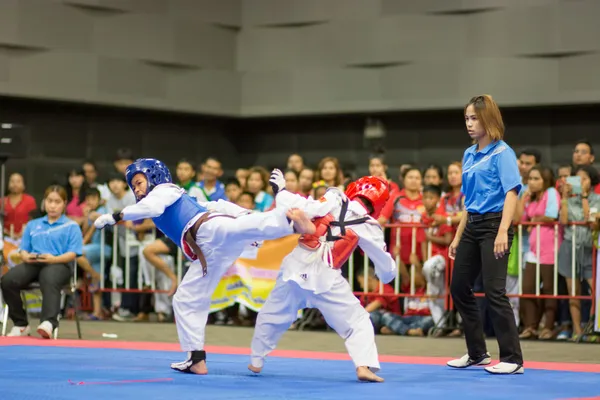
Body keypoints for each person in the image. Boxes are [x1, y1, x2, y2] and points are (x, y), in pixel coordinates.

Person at [93, 158, 316, 375]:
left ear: (153, 177)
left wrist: (115, 216)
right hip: (208, 254)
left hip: (208, 230)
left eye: (139, 183)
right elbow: (219, 204)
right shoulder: (178, 197)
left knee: (240, 227)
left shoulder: (164, 191)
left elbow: (151, 206)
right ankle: (196, 358)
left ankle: (293, 222)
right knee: (185, 298)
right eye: (133, 187)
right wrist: (244, 214)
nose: (137, 190)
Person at [248, 170, 397, 383]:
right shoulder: (369, 225)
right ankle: (363, 366)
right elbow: (386, 267)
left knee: (272, 315)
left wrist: (281, 191)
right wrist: (385, 275)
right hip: (326, 278)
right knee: (357, 320)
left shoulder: (335, 197)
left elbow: (305, 205)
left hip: (295, 266)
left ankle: (256, 360)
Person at [446, 95, 524, 375]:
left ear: (488, 119)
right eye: (466, 118)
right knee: (458, 287)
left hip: (494, 226)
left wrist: (503, 230)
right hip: (472, 225)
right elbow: (468, 200)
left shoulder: (503, 153)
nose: (469, 123)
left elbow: (511, 193)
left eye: (474, 118)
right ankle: (477, 353)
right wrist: (457, 236)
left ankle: (513, 359)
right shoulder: (469, 154)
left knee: (494, 290)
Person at [1, 185, 83, 338]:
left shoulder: (71, 226)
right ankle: (21, 324)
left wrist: (54, 259)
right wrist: (25, 256)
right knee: (8, 280)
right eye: (49, 201)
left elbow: (73, 253)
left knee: (49, 277)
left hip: (59, 264)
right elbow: (24, 248)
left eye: (57, 202)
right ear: (44, 202)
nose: (52, 205)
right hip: (34, 263)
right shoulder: (33, 224)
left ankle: (48, 322)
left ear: (64, 204)